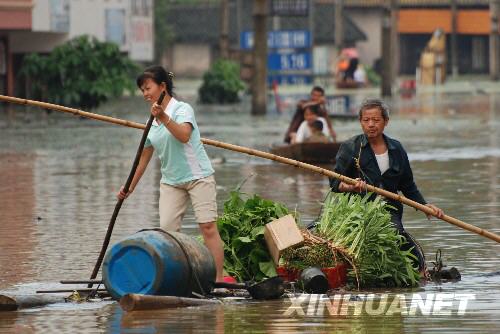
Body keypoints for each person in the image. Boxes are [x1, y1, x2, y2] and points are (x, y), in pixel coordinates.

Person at [117, 65, 225, 283]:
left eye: (148, 88)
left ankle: (219, 280)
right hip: (171, 182)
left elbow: (184, 135)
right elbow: (143, 159)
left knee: (207, 227)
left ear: (163, 86)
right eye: (142, 90)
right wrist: (129, 187)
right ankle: (178, 277)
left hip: (198, 177)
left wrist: (164, 117)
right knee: (167, 234)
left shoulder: (182, 109)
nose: (145, 94)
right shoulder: (150, 122)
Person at [330, 98, 444, 271]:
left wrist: (424, 206)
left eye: (376, 120)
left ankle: (418, 271)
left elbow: (408, 185)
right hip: (358, 209)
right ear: (360, 122)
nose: (371, 125)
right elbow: (335, 182)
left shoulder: (397, 149)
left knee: (396, 235)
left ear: (386, 122)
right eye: (366, 120)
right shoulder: (351, 148)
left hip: (389, 209)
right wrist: (351, 186)